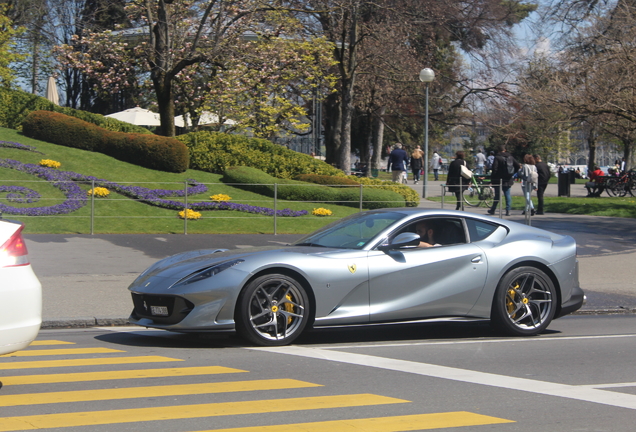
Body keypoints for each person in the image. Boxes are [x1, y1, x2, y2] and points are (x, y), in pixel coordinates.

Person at [487, 145, 520, 217]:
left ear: (498, 150)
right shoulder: (510, 157)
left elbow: (494, 168)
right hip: (508, 179)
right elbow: (517, 165)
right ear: (505, 150)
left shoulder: (497, 157)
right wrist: (512, 173)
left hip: (498, 179)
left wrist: (493, 178)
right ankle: (508, 210)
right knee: (507, 195)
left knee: (497, 195)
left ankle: (493, 209)